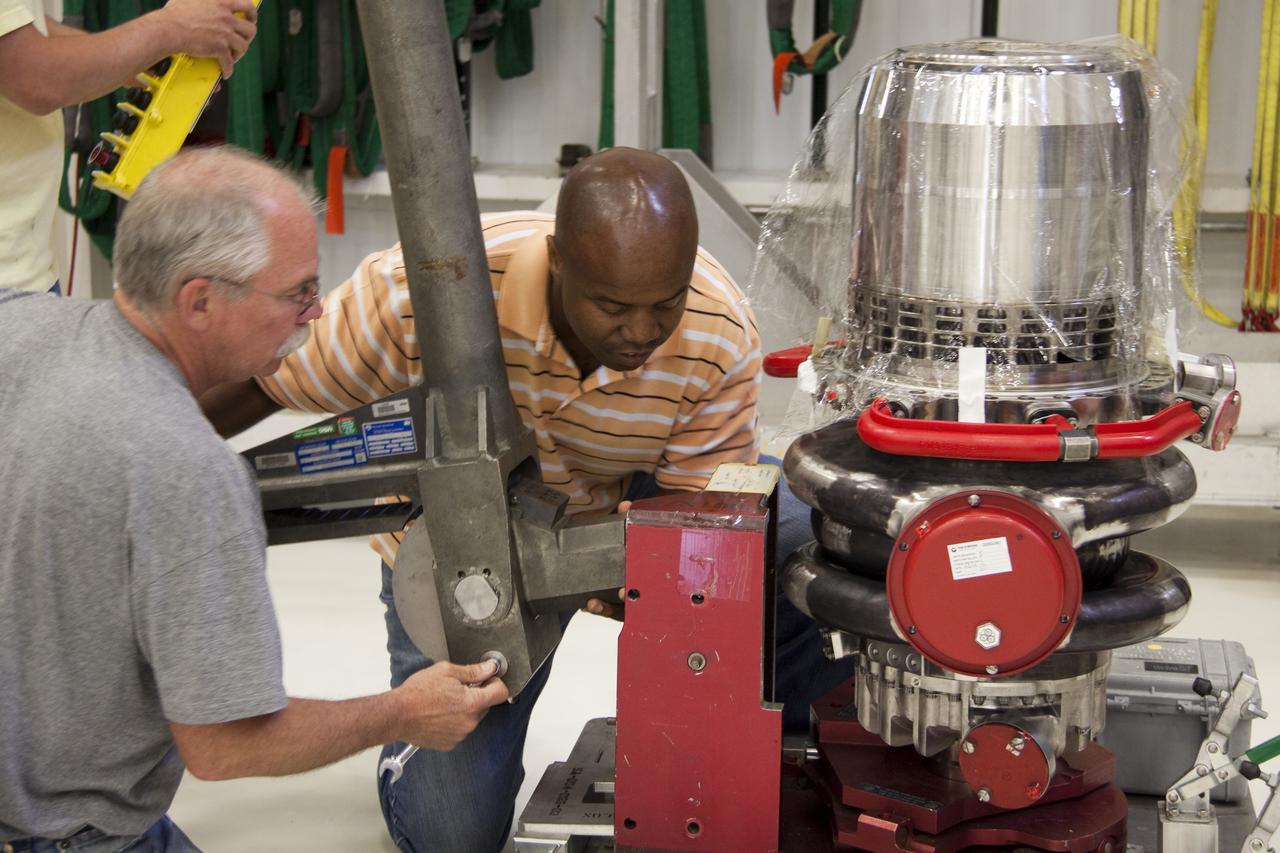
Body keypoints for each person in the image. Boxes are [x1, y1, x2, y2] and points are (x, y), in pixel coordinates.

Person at [200, 146, 854, 852]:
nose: (641, 331)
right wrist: (144, 455)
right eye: (612, 305)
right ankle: (407, 759)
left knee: (811, 530)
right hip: (457, 546)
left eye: (662, 303)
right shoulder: (415, 297)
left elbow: (698, 515)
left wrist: (644, 584)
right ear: (562, 261)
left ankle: (785, 733)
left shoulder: (715, 328)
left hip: (618, 494)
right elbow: (259, 383)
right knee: (452, 834)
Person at [0, 147, 509, 853]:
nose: (318, 310)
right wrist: (402, 711)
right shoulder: (187, 467)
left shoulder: (16, 324)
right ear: (199, 299)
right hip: (64, 833)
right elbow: (225, 743)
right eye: (297, 293)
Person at [0, 0, 259, 294]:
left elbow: (24, 31)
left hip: (24, 264)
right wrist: (171, 28)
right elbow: (37, 77)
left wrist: (134, 53)